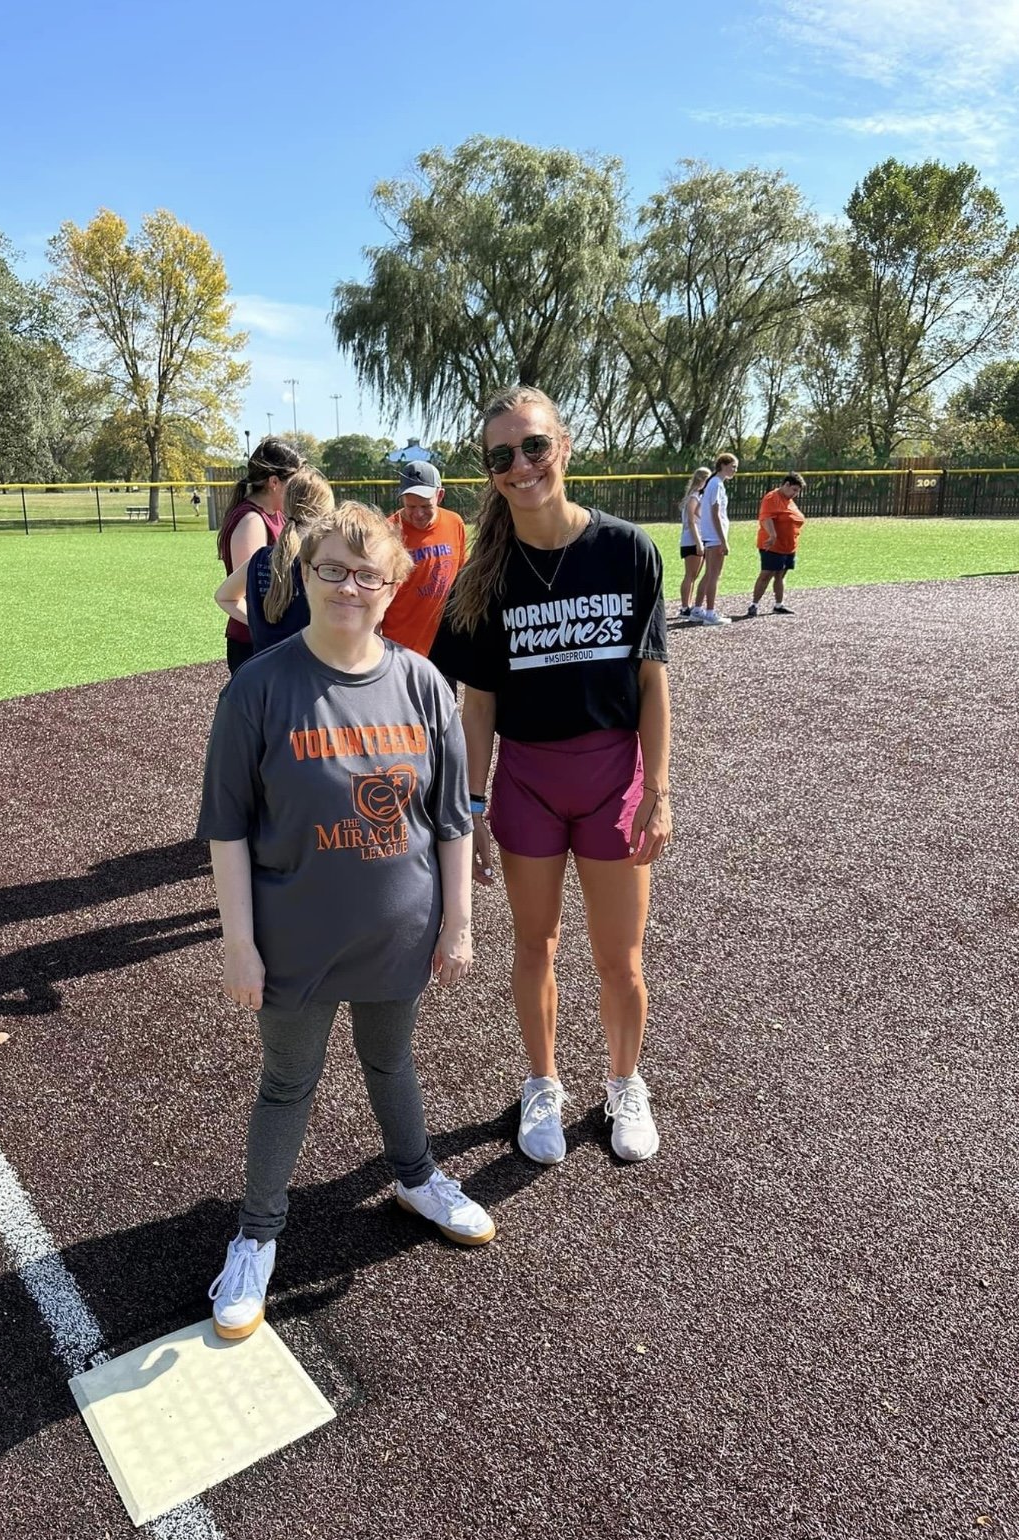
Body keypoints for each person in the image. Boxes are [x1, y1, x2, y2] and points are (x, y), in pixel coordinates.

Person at [198, 501, 496, 1341]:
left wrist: (460, 923)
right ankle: (257, 1235)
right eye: (333, 569)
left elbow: (450, 820)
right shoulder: (260, 686)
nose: (351, 587)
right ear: (306, 574)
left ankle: (415, 1176)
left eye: (370, 574)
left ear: (396, 582)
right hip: (294, 941)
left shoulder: (423, 682)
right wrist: (239, 943)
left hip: (399, 932)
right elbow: (226, 825)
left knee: (391, 1061)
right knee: (288, 1084)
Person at [430, 386, 672, 1169]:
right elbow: (477, 708)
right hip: (527, 780)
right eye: (501, 456)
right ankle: (542, 1083)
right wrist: (467, 810)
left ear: (562, 446)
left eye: (532, 447)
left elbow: (651, 681)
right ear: (489, 472)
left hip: (612, 774)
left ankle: (625, 1083)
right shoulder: (484, 575)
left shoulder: (627, 549)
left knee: (620, 958)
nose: (520, 466)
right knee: (533, 944)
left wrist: (660, 791)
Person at [213, 468, 336, 653]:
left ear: (286, 505)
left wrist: (259, 624)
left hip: (266, 670)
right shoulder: (322, 566)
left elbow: (224, 597)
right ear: (326, 514)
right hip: (309, 670)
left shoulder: (260, 558)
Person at [215, 439, 304, 673]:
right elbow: (246, 595)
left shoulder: (278, 515)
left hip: (273, 643)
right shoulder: (252, 521)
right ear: (274, 482)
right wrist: (270, 631)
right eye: (294, 481)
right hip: (253, 645)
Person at [382, 462, 468, 657]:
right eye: (411, 506)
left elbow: (462, 578)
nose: (418, 514)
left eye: (425, 506)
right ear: (402, 498)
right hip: (400, 648)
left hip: (444, 643)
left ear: (440, 495)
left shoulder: (455, 523)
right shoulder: (388, 532)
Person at [747, 474, 806, 617]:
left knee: (781, 574)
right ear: (786, 485)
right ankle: (754, 605)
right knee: (767, 574)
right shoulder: (772, 498)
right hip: (772, 545)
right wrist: (773, 535)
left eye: (797, 491)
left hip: (788, 546)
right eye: (794, 490)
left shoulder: (789, 501)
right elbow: (766, 518)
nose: (795, 494)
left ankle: (778, 605)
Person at [690, 453, 739, 627]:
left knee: (709, 574)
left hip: (710, 535)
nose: (735, 470)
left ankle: (697, 609)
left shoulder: (712, 484)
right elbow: (715, 513)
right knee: (714, 575)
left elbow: (701, 511)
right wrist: (723, 539)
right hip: (715, 537)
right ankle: (710, 613)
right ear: (723, 465)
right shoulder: (716, 484)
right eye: (733, 466)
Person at [677, 467, 710, 618]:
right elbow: (691, 522)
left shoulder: (699, 497)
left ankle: (688, 606)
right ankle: (685, 607)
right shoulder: (694, 497)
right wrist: (698, 542)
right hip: (691, 539)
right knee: (690, 575)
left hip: (697, 538)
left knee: (694, 575)